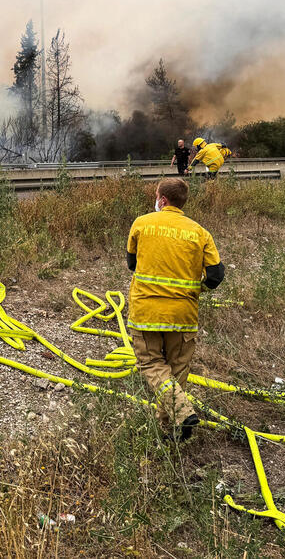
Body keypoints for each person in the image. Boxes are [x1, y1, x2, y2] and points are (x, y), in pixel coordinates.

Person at [126, 178, 225, 441]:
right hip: (183, 316)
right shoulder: (200, 232)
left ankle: (181, 412)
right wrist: (194, 290)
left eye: (156, 195)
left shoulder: (141, 223)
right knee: (176, 371)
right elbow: (215, 276)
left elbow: (131, 263)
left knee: (151, 364)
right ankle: (171, 430)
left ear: (162, 200)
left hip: (146, 313)